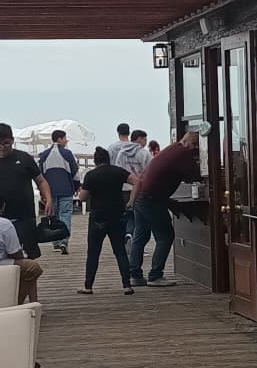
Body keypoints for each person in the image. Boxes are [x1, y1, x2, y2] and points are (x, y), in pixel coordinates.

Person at [0, 122, 50, 268]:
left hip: (24, 216)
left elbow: (41, 181)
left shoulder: (24, 158)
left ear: (12, 141)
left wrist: (48, 198)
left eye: (6, 143)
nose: (2, 147)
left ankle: (29, 288)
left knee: (29, 259)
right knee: (3, 257)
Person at [128, 126, 202, 286]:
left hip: (141, 195)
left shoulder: (173, 148)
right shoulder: (183, 154)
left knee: (140, 236)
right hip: (153, 199)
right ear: (194, 144)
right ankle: (155, 275)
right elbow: (195, 175)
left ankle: (134, 275)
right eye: (197, 146)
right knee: (165, 236)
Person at [76, 147, 136, 295]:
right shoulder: (118, 171)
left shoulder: (91, 175)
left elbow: (82, 198)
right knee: (120, 252)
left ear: (95, 161)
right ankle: (127, 285)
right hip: (117, 216)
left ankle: (88, 286)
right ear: (108, 158)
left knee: (93, 253)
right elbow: (137, 181)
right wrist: (131, 201)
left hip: (98, 218)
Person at [36, 129, 79, 254]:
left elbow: (39, 176)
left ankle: (55, 241)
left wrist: (42, 192)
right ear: (59, 139)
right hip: (66, 190)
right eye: (65, 138)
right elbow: (75, 173)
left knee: (53, 216)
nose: (66, 141)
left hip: (49, 192)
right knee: (65, 215)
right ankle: (64, 241)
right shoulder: (67, 154)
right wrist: (76, 187)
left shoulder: (44, 155)